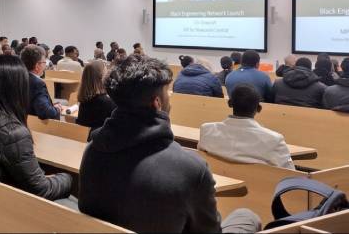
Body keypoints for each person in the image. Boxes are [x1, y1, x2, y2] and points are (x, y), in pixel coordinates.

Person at [79, 54, 261, 233]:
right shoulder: (189, 168)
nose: (170, 97)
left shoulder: (92, 151)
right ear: (157, 103)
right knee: (246, 216)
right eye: (167, 92)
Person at [0, 55, 72, 201]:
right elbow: (41, 190)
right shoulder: (12, 132)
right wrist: (67, 178)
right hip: (4, 205)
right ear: (16, 88)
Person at [199, 84, 295, 170]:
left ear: (229, 103)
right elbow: (290, 174)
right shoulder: (274, 139)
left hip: (214, 184)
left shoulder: (207, 130)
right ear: (259, 108)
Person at [76, 61, 116, 139]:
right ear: (102, 77)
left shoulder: (83, 100)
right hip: (99, 143)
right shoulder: (107, 102)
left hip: (83, 138)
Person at [21, 45, 62, 120]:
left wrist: (50, 105)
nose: (46, 66)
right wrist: (56, 109)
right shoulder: (38, 84)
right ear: (37, 66)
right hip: (35, 127)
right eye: (44, 62)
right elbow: (45, 112)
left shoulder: (18, 78)